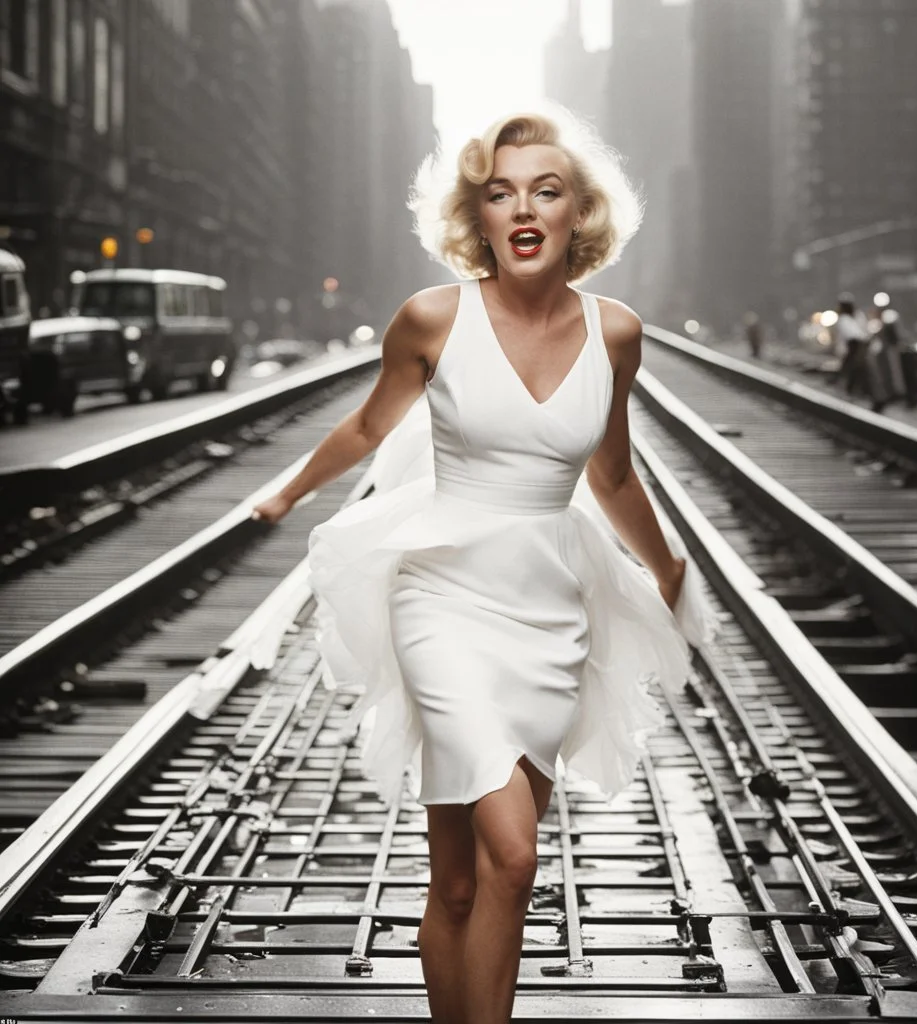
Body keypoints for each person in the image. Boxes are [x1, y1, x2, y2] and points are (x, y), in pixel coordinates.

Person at [251, 108, 713, 1024]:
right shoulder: (432, 317)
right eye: (501, 194)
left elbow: (612, 471)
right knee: (518, 854)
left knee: (462, 881)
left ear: (581, 214)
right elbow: (366, 428)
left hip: (552, 604)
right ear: (481, 218)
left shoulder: (616, 333)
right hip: (443, 593)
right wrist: (289, 492)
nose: (523, 208)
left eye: (547, 190)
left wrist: (666, 566)